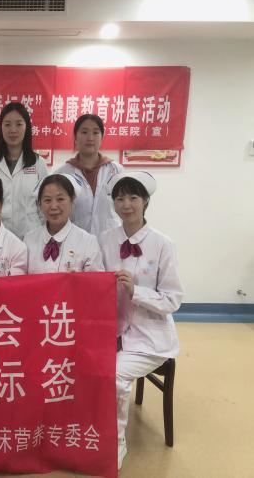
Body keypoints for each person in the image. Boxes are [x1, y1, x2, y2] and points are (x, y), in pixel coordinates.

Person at [98, 171, 182, 469]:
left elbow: (173, 300)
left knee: (115, 376)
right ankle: (86, 434)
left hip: (149, 337)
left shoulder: (162, 244)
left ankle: (115, 443)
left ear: (145, 200)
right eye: (119, 198)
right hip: (112, 331)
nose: (126, 205)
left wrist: (137, 292)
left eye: (133, 197)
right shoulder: (106, 239)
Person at [0, 102, 48, 239]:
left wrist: (43, 236)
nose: (13, 130)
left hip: (32, 237)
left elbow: (44, 203)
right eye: (7, 124)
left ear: (26, 127)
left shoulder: (38, 163)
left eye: (19, 124)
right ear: (1, 128)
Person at [55, 113, 123, 236]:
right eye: (84, 132)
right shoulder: (63, 173)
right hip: (74, 240)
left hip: (111, 240)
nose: (90, 138)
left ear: (102, 137)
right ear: (75, 137)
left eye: (96, 132)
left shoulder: (116, 170)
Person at [24, 173, 104, 273]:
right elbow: (20, 279)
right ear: (39, 204)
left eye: (60, 199)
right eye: (47, 200)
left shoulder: (88, 242)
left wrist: (80, 279)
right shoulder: (29, 240)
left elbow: (96, 280)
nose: (53, 206)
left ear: (72, 200)